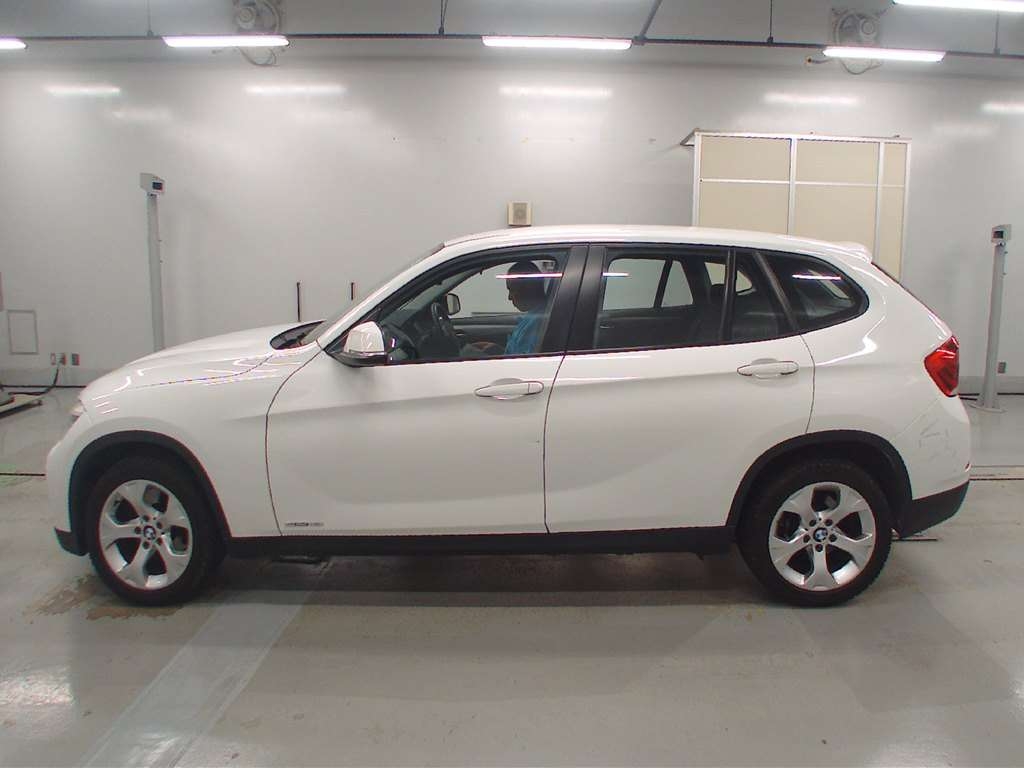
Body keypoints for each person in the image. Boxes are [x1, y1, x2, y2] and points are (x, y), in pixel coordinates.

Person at [466, 260, 551, 357]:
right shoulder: (535, 316)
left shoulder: (538, 323)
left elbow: (523, 361)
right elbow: (518, 353)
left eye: (512, 290)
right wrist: (498, 350)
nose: (509, 297)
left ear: (529, 288)